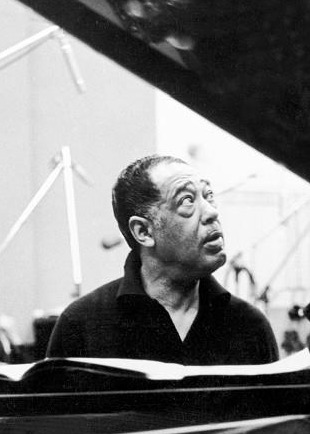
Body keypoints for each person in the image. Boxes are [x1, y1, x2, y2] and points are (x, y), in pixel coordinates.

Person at [47, 155, 278, 364]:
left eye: (209, 196)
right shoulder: (80, 326)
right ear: (144, 232)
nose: (211, 212)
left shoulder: (250, 326)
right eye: (187, 200)